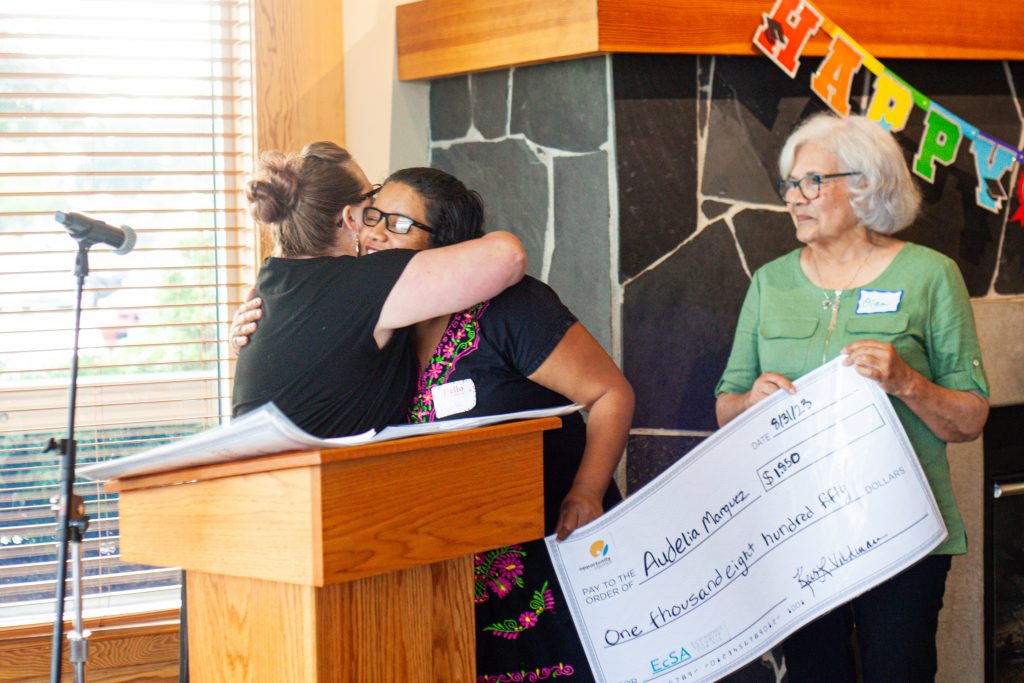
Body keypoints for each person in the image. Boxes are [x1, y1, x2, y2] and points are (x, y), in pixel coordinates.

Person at [233, 166, 635, 681]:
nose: (375, 232)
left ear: (446, 246)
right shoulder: (381, 329)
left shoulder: (511, 308)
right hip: (452, 581)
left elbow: (609, 393)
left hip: (557, 550)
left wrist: (587, 491)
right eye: (373, 216)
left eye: (398, 224)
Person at [715, 113, 989, 682]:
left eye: (811, 182)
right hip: (795, 530)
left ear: (864, 184)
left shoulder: (930, 275)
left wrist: (907, 382)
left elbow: (970, 418)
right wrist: (748, 404)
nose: (794, 198)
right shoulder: (769, 282)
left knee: (899, 672)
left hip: (902, 532)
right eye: (789, 184)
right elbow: (726, 404)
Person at [231, 142, 526, 436]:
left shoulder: (269, 285)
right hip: (315, 479)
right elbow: (508, 256)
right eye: (370, 199)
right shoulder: (360, 283)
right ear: (350, 218)